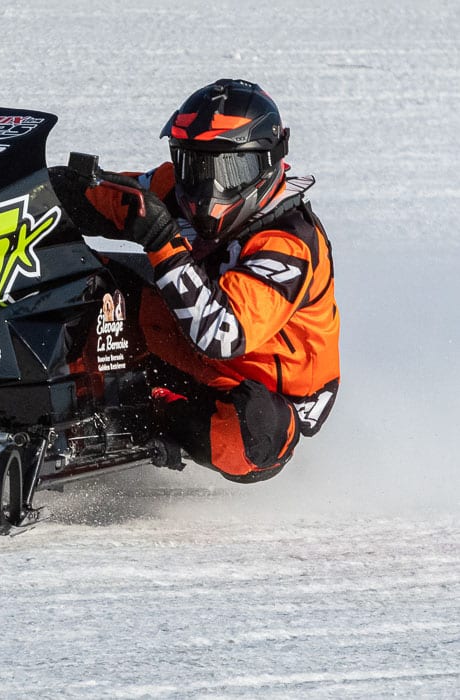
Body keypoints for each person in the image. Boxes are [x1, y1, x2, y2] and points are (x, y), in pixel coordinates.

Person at [54, 78, 340, 482]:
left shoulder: (288, 243)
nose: (209, 188)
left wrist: (161, 241)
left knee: (252, 433)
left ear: (267, 163)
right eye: (196, 166)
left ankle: (144, 416)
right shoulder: (173, 187)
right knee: (83, 275)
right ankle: (46, 402)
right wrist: (28, 188)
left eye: (230, 169)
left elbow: (222, 334)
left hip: (261, 391)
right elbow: (102, 199)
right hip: (184, 353)